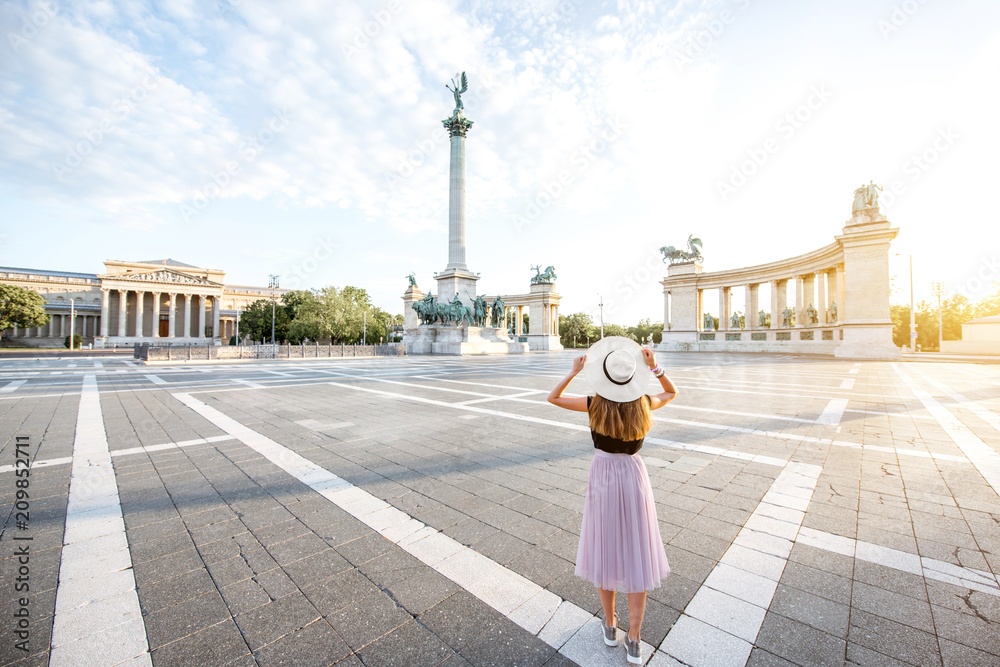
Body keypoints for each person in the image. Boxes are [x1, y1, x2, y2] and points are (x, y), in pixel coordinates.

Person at [547, 336, 678, 664]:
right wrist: (656, 366)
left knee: (606, 551)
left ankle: (610, 624)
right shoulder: (645, 403)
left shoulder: (594, 404)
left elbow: (554, 398)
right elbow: (672, 392)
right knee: (637, 554)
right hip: (634, 478)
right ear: (633, 377)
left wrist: (574, 372)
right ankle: (634, 639)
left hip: (603, 477)